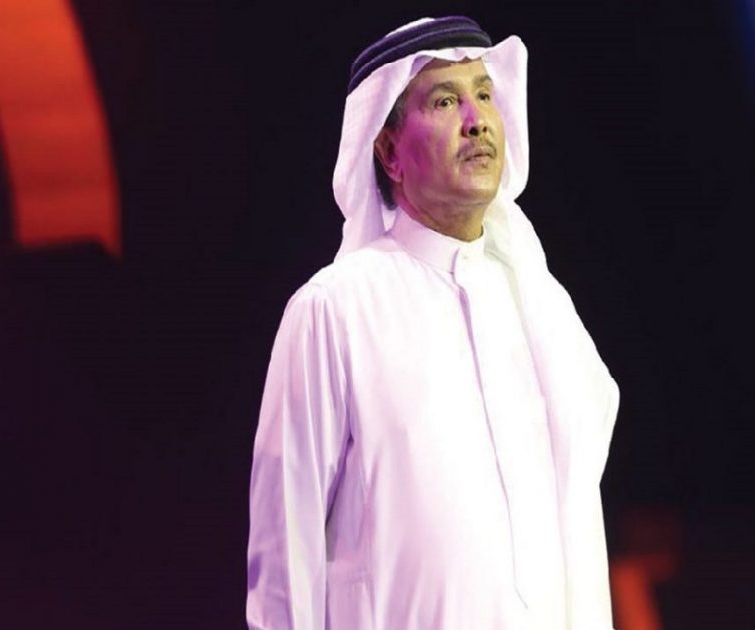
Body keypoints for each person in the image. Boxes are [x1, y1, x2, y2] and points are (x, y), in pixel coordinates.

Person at [247, 16, 619, 630]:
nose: (477, 120)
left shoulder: (538, 308)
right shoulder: (334, 310)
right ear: (389, 152)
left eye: (484, 95)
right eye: (446, 101)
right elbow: (285, 561)